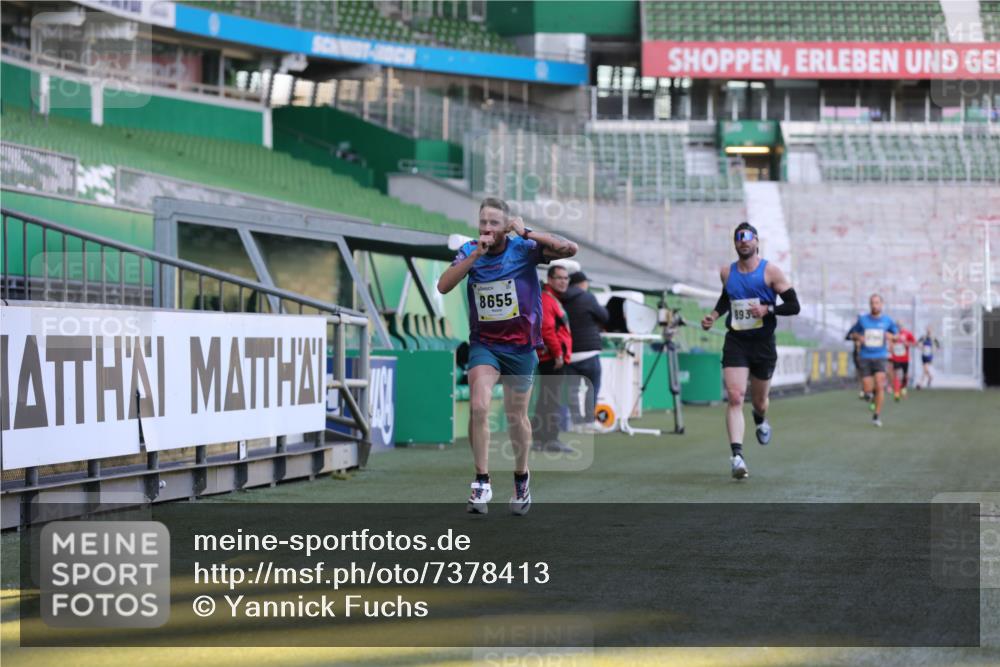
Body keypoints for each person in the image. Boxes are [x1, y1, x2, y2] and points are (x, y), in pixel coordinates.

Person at [437, 197, 577, 515]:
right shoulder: (470, 250)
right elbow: (443, 286)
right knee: (479, 405)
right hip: (485, 345)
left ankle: (521, 478)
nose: (487, 228)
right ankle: (482, 481)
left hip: (521, 348)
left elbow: (569, 249)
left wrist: (527, 232)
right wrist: (475, 254)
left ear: (506, 226)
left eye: (494, 223)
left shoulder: (523, 249)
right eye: (483, 222)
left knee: (517, 418)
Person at [700, 222, 800, 480]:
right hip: (736, 341)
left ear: (756, 242)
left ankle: (760, 417)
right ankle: (737, 457)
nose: (743, 242)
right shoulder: (726, 273)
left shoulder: (771, 272)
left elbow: (794, 305)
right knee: (735, 396)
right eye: (739, 238)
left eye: (748, 237)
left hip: (763, 344)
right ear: (735, 244)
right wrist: (713, 315)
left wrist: (769, 309)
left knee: (759, 401)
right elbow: (727, 297)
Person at [559, 271, 609, 430]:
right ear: (582, 284)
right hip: (589, 351)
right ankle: (588, 421)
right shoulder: (588, 297)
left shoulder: (559, 298)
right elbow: (604, 316)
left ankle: (576, 422)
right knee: (592, 387)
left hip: (568, 352)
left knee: (572, 390)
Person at [533, 265, 573, 452]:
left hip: (551, 356)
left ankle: (541, 440)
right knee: (552, 400)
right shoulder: (548, 299)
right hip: (552, 357)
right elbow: (547, 329)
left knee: (546, 399)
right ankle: (550, 439)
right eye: (559, 278)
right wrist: (557, 353)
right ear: (549, 279)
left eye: (566, 278)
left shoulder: (552, 299)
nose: (563, 281)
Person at [847, 294, 898, 427]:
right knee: (868, 388)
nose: (875, 305)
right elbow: (852, 334)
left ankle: (876, 415)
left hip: (880, 356)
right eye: (872, 303)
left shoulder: (887, 320)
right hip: (865, 356)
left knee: (880, 384)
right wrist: (859, 337)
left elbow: (896, 335)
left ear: (881, 304)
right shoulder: (863, 320)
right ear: (870, 305)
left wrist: (891, 336)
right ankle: (869, 394)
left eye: (877, 303)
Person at [888, 320, 917, 401]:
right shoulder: (893, 334)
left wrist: (908, 344)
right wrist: (891, 347)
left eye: (900, 324)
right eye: (897, 325)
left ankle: (903, 389)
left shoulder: (907, 333)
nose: (899, 326)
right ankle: (896, 393)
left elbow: (914, 343)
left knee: (905, 375)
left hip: (905, 358)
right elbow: (889, 344)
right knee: (897, 374)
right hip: (896, 358)